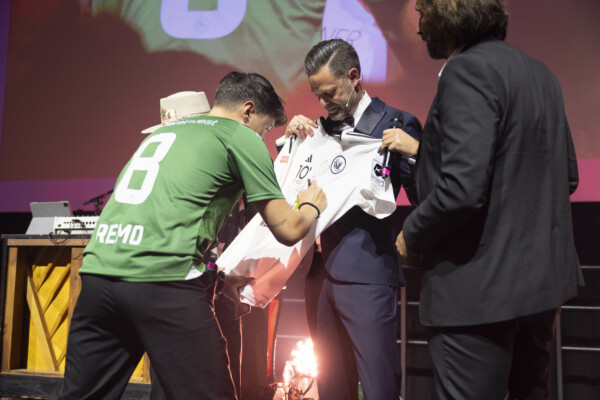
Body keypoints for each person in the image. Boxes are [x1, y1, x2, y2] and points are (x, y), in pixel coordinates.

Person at [59, 71, 328, 400]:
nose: (263, 135)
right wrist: (311, 206)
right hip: (163, 283)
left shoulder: (165, 131)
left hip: (98, 278)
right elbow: (289, 229)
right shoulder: (239, 136)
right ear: (247, 111)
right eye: (265, 127)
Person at [392, 1, 582, 399]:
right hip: (541, 290)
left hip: (477, 293)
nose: (419, 25)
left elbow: (460, 189)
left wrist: (412, 234)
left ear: (448, 15)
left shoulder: (466, 71)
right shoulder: (542, 74)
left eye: (424, 13)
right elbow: (568, 176)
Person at [286, 39, 422, 400]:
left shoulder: (396, 123)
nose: (323, 102)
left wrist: (417, 156)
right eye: (316, 95)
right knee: (331, 387)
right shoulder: (315, 131)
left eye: (329, 92)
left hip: (367, 275)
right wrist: (290, 147)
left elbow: (426, 196)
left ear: (355, 77)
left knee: (378, 386)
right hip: (315, 274)